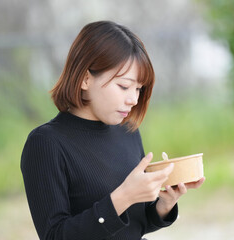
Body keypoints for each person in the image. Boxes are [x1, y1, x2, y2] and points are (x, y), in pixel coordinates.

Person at [21, 20, 205, 240]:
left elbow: (135, 226)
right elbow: (55, 236)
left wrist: (164, 204)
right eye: (124, 86)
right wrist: (123, 197)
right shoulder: (46, 143)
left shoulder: (127, 131)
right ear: (85, 79)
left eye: (138, 89)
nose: (134, 99)